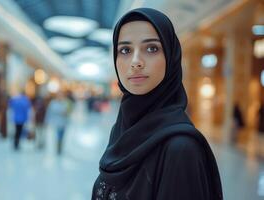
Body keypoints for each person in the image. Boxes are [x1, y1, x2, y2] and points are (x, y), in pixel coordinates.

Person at [91, 8, 222, 200]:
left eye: (151, 48)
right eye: (125, 50)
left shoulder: (180, 149)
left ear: (170, 57)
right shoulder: (120, 131)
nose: (136, 62)